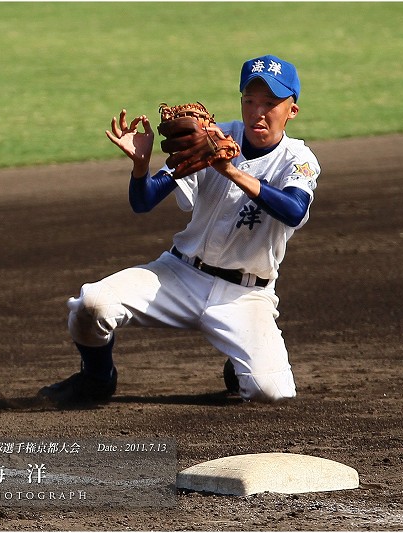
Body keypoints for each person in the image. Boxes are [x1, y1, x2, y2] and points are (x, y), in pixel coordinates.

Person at [39, 54, 320, 405]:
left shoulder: (298, 159)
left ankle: (240, 362)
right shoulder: (211, 138)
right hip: (180, 275)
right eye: (250, 101)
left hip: (245, 296)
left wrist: (231, 171)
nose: (258, 112)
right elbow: (144, 202)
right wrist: (141, 167)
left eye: (271, 103)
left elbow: (293, 211)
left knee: (272, 394)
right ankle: (96, 378)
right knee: (91, 305)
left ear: (291, 110)